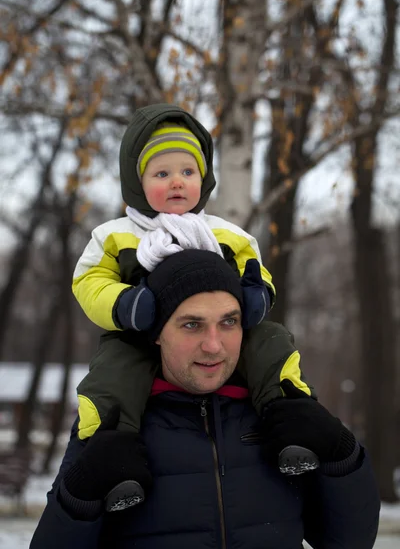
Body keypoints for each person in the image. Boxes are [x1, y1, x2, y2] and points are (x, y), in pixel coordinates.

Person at [30, 250, 380, 549]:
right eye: (191, 325)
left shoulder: (282, 408)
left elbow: (349, 540)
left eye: (229, 322)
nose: (214, 345)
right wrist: (79, 497)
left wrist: (343, 456)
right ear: (156, 335)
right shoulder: (114, 421)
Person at [72, 103, 315, 451]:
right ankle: (109, 449)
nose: (177, 182)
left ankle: (290, 415)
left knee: (271, 342)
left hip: (214, 330)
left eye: (188, 171)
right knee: (113, 371)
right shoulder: (115, 235)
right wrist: (123, 304)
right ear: (137, 182)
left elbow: (254, 268)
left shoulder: (226, 234)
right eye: (161, 174)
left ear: (203, 178)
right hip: (138, 334)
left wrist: (257, 292)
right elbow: (88, 281)